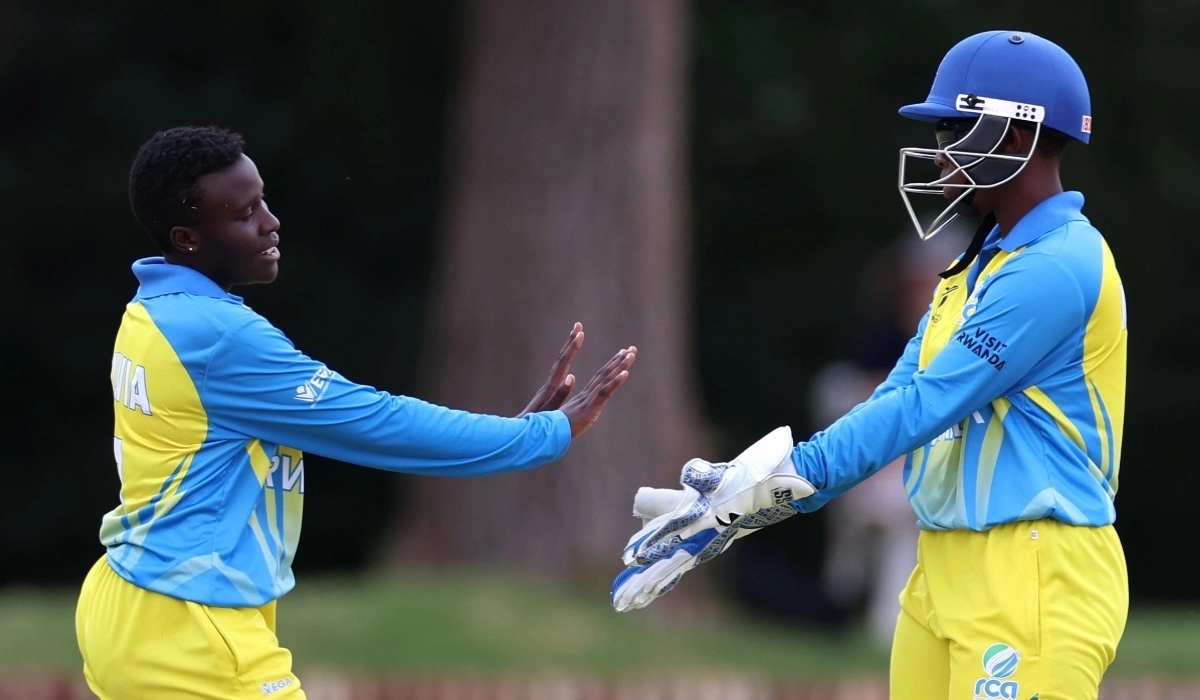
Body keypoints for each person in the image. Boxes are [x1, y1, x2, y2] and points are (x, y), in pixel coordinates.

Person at [613, 30, 1127, 700]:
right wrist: (746, 491)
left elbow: (926, 405)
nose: (941, 155)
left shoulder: (1058, 264)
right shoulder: (977, 265)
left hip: (1032, 565)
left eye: (957, 128)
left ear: (1015, 139)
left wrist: (772, 491)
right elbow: (895, 396)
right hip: (943, 565)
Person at [76, 125, 637, 699]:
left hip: (125, 604)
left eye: (263, 201)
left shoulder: (149, 314)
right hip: (189, 629)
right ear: (187, 239)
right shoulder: (218, 336)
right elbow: (376, 423)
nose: (270, 222)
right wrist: (541, 436)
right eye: (244, 214)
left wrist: (506, 431)